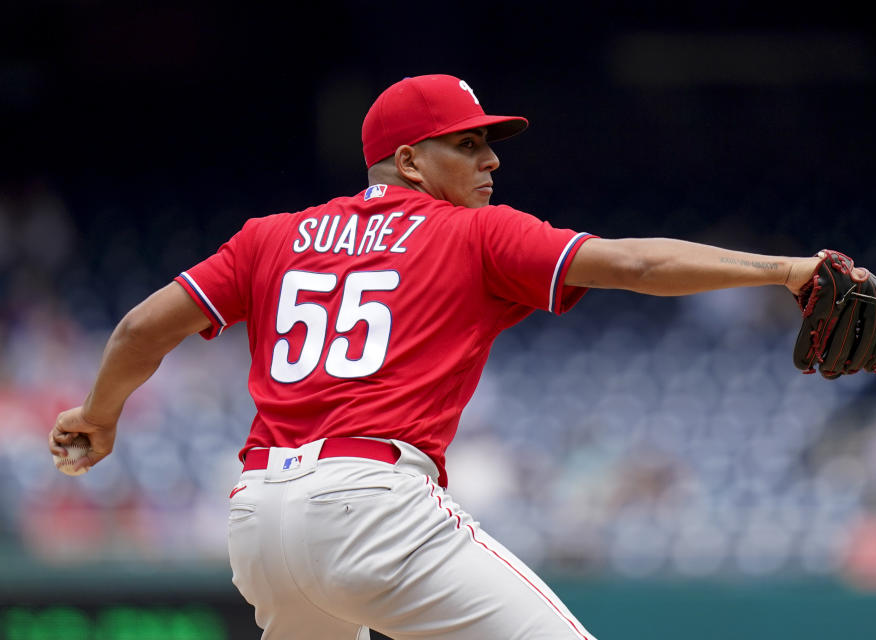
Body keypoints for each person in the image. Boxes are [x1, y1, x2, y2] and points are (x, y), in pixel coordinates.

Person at [50, 74, 828, 639]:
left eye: (489, 144)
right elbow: (635, 265)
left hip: (258, 517)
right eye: (468, 143)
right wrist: (784, 271)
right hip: (371, 505)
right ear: (411, 160)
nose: (491, 161)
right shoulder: (473, 232)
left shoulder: (271, 235)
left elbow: (139, 330)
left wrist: (99, 416)